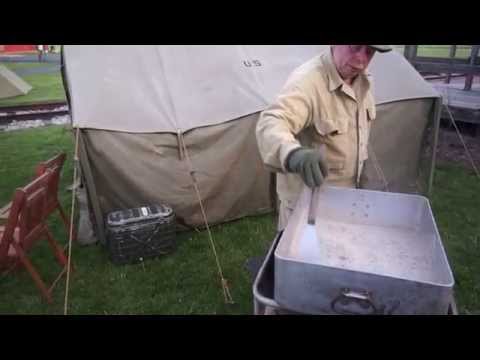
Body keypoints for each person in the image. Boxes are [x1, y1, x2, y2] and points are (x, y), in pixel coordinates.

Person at [256, 45, 392, 230]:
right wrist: (293, 154)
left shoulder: (364, 80)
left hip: (346, 206)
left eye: (369, 52)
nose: (361, 59)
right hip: (305, 213)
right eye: (355, 47)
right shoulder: (307, 82)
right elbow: (272, 122)